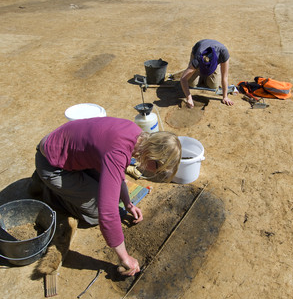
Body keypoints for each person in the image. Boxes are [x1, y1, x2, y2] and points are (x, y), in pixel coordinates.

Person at [31, 117, 181, 276]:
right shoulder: (117, 153)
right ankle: (47, 188)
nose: (155, 173)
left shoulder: (136, 135)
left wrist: (128, 203)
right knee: (96, 213)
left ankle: (59, 183)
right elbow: (107, 214)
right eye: (158, 168)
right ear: (153, 154)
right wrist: (125, 258)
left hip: (66, 148)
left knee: (112, 194)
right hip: (52, 164)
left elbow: (118, 171)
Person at [180, 39, 234, 108]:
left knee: (214, 85)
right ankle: (196, 72)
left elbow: (225, 77)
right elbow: (183, 79)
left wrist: (225, 97)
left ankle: (203, 76)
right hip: (198, 51)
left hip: (216, 57)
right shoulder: (197, 58)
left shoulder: (223, 53)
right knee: (192, 83)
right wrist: (189, 98)